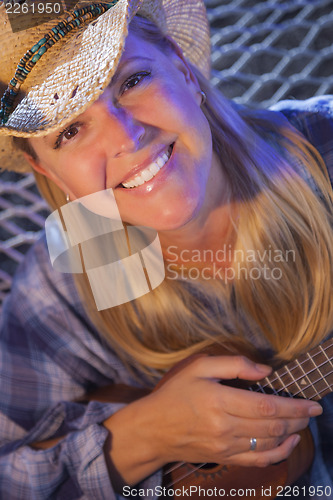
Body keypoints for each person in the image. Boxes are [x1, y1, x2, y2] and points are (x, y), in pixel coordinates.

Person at [0, 0, 332, 498]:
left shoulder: (323, 152)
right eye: (70, 131)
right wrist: (145, 437)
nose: (126, 137)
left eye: (131, 81)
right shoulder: (61, 294)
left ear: (182, 67)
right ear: (51, 174)